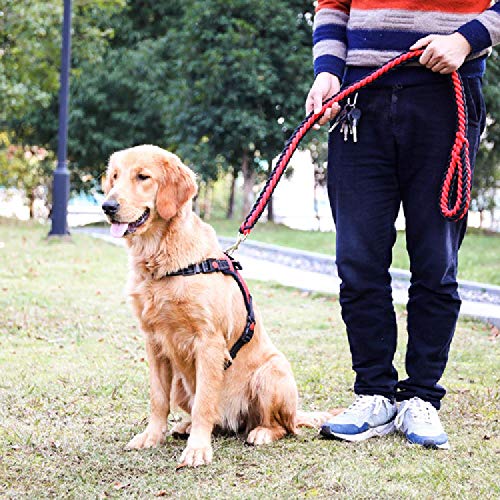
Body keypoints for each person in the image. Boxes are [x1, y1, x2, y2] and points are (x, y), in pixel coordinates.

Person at [306, 0, 499, 449]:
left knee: (436, 259)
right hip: (358, 99)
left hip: (445, 94)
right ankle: (374, 391)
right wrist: (328, 69)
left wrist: (465, 40)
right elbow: (332, 5)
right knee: (356, 259)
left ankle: (421, 396)